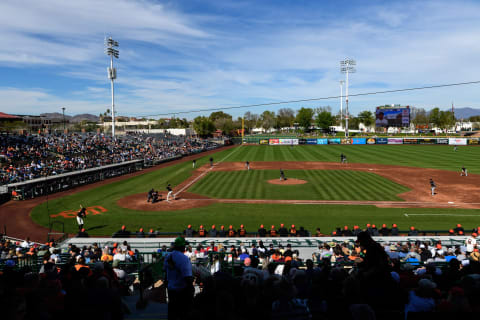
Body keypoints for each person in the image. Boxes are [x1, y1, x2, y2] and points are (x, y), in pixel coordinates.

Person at [164, 237, 194, 320]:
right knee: (183, 314)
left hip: (171, 289)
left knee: (172, 313)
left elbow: (165, 273)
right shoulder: (184, 259)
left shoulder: (168, 257)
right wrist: (191, 288)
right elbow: (187, 277)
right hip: (182, 290)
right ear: (182, 247)